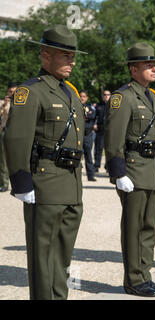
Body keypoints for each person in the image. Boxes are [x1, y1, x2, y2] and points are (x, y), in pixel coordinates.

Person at [3, 25, 87, 300]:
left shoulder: (71, 93)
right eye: (65, 55)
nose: (71, 61)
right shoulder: (31, 92)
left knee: (62, 256)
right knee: (43, 258)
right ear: (45, 55)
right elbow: (16, 138)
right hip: (46, 182)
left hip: (71, 185)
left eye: (73, 55)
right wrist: (21, 182)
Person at [104, 42, 155, 297]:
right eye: (148, 64)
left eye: (154, 65)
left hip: (152, 169)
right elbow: (113, 138)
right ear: (133, 69)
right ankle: (133, 279)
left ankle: (145, 275)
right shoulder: (124, 97)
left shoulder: (153, 97)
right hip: (133, 169)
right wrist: (119, 173)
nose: (154, 69)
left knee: (149, 227)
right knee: (133, 227)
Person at [0, 82, 18, 192]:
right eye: (10, 91)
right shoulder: (3, 102)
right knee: (3, 159)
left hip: (17, 133)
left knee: (18, 158)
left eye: (14, 92)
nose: (12, 93)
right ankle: (4, 183)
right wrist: (4, 105)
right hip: (5, 131)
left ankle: (19, 183)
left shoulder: (22, 103)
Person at [80, 90, 97, 181]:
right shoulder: (76, 106)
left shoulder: (90, 107)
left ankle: (90, 175)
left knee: (88, 156)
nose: (82, 98)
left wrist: (84, 116)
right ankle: (76, 175)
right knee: (77, 155)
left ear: (86, 98)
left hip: (88, 135)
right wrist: (85, 116)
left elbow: (92, 116)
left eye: (84, 96)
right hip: (78, 135)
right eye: (80, 96)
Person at [94, 89, 110, 172]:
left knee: (109, 149)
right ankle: (96, 166)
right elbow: (94, 116)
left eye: (108, 94)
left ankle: (108, 166)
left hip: (110, 130)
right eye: (105, 94)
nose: (106, 96)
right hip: (100, 129)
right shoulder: (98, 106)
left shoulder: (113, 105)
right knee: (98, 148)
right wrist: (94, 124)